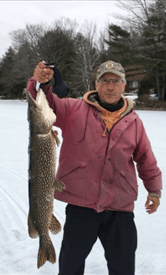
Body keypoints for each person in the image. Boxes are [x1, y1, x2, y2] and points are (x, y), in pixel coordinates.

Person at [27, 60, 162, 275]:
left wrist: (154, 190)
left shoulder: (134, 122)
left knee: (123, 268)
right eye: (105, 80)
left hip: (119, 208)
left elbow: (145, 158)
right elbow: (44, 103)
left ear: (124, 85)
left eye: (116, 81)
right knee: (70, 267)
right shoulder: (73, 110)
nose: (110, 86)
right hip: (81, 206)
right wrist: (39, 81)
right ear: (96, 84)